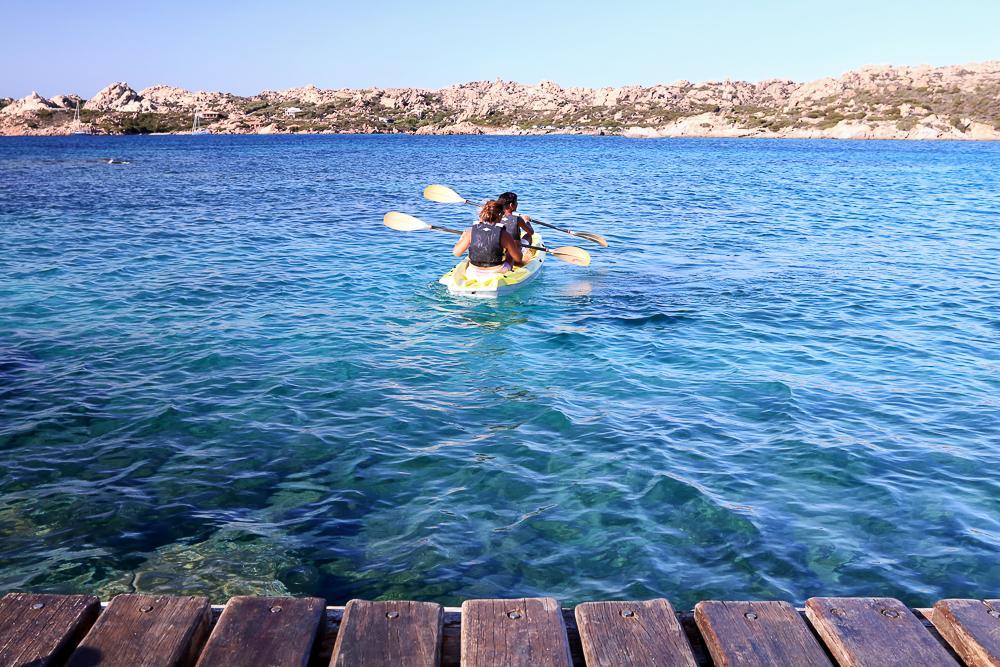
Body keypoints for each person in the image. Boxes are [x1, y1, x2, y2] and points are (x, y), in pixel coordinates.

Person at [452, 200, 524, 278]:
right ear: (500, 215)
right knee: (510, 254)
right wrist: (515, 247)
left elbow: (456, 253)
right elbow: (518, 259)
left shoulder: (471, 231)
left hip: (473, 272)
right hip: (496, 272)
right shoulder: (505, 235)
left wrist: (462, 237)